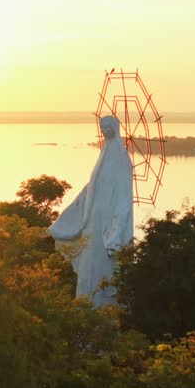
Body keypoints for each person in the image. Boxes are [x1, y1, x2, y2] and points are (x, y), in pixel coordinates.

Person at [49, 115, 134, 306]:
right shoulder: (103, 157)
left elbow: (123, 198)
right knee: (89, 270)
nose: (104, 130)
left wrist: (116, 232)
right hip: (93, 223)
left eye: (107, 126)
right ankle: (86, 309)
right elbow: (90, 189)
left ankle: (103, 310)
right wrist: (69, 217)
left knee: (103, 270)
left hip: (107, 224)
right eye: (101, 127)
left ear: (115, 128)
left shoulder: (121, 160)